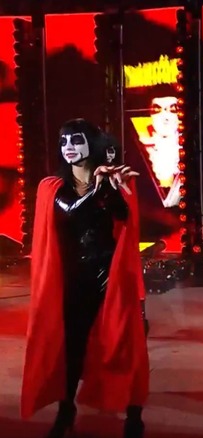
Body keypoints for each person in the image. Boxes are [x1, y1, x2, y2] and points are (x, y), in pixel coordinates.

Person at [21, 119, 149, 438]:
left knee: (126, 344)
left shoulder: (113, 182)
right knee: (72, 348)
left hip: (112, 278)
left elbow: (125, 218)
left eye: (75, 141)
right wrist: (100, 186)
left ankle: (134, 413)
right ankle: (66, 410)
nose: (68, 147)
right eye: (63, 141)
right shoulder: (52, 188)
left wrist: (114, 187)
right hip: (74, 281)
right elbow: (75, 209)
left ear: (91, 145)